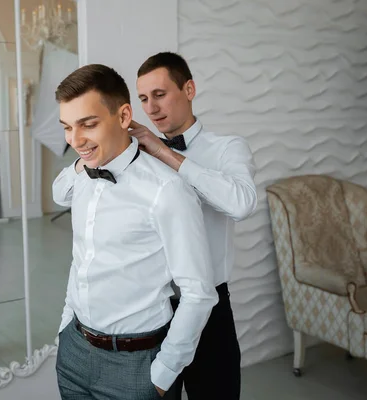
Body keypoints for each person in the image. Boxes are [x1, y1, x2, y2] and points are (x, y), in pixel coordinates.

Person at [52, 64, 218, 399]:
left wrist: (161, 375)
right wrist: (64, 331)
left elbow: (199, 293)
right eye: (68, 127)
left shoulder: (167, 190)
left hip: (138, 365)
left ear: (124, 115)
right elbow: (81, 260)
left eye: (88, 124)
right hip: (74, 353)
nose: (74, 139)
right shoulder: (81, 177)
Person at [131, 51, 258, 400]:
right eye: (143, 99)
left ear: (189, 89)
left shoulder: (227, 148)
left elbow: (242, 204)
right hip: (150, 309)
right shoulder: (135, 155)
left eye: (159, 94)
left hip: (210, 310)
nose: (151, 108)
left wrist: (164, 153)